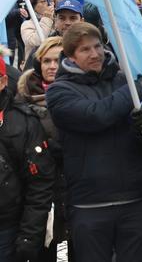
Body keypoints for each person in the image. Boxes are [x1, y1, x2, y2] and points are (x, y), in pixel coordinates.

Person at [46, 22, 142, 260]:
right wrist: (139, 89)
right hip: (90, 204)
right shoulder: (59, 91)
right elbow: (96, 115)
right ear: (70, 56)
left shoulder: (125, 81)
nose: (94, 54)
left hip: (136, 198)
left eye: (97, 46)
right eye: (85, 50)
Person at [15, 36, 68, 260]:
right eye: (47, 61)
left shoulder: (76, 96)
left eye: (58, 60)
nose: (52, 66)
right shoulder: (23, 98)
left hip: (72, 189)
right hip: (38, 194)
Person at [0, 53, 55, 261]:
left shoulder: (22, 122)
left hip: (7, 228)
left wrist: (29, 237)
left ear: (3, 81)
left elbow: (40, 184)